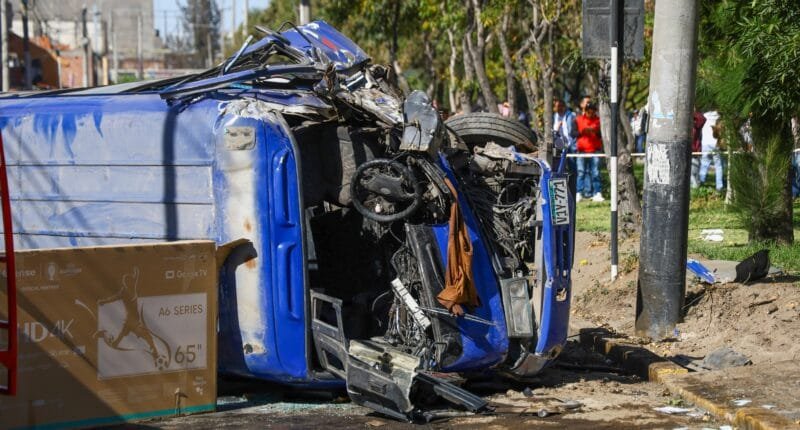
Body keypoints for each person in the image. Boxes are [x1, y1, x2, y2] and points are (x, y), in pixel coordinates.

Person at [576, 102, 604, 202]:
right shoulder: (579, 119)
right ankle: (578, 193)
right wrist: (582, 132)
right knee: (581, 172)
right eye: (589, 111)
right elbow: (574, 133)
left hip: (594, 150)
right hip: (582, 150)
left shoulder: (598, 120)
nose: (590, 113)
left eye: (592, 111)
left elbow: (600, 134)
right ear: (586, 111)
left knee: (595, 172)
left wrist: (594, 131)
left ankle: (597, 192)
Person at [699, 110, 724, 191]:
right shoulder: (719, 117)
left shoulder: (704, 115)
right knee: (718, 166)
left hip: (705, 143)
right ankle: (719, 186)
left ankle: (701, 183)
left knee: (704, 164)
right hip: (716, 143)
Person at [690, 110, 706, 188]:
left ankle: (696, 190)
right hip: (683, 151)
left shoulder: (696, 124)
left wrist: (692, 111)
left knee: (694, 173)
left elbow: (702, 119)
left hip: (694, 152)